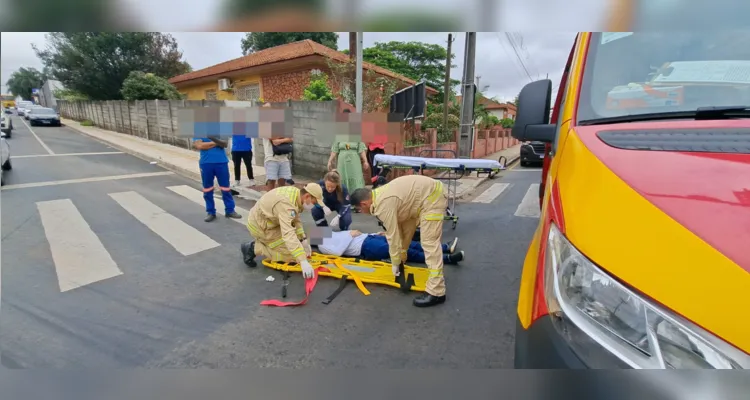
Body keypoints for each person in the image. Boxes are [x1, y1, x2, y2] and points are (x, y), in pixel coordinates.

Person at [349, 175, 448, 308]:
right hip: (420, 200)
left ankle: (437, 292)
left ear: (364, 204)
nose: (360, 213)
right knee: (413, 239)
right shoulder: (380, 196)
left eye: (359, 210)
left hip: (431, 197)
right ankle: (448, 256)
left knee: (429, 243)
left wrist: (395, 262)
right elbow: (403, 230)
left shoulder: (383, 204)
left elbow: (393, 236)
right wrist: (401, 256)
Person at [240, 182, 324, 279]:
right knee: (293, 256)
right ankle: (253, 248)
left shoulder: (296, 194)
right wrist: (303, 261)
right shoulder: (287, 205)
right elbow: (288, 234)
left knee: (298, 248)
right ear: (307, 196)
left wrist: (303, 239)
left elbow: (295, 219)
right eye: (314, 203)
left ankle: (267, 244)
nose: (314, 206)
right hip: (261, 227)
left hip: (270, 221)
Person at [316, 229, 464, 265]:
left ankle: (444, 247)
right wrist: (349, 235)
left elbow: (354, 234)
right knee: (407, 252)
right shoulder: (322, 245)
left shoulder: (328, 233)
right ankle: (447, 259)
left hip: (369, 238)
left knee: (409, 244)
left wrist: (376, 233)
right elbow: (337, 253)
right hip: (366, 247)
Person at [193, 136, 242, 222]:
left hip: (221, 162)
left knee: (226, 188)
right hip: (206, 163)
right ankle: (211, 212)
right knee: (208, 189)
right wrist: (217, 142)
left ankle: (230, 210)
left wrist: (211, 140)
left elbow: (225, 144)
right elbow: (200, 146)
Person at [327, 109, 369, 192]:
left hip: (354, 161)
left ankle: (357, 197)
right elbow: (335, 148)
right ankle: (343, 198)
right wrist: (330, 161)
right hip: (342, 162)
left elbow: (361, 148)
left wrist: (365, 161)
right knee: (342, 178)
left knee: (355, 177)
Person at [261, 103, 293, 190]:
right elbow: (271, 137)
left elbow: (291, 138)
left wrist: (280, 140)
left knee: (282, 183)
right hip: (271, 158)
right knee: (271, 182)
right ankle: (269, 202)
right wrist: (283, 136)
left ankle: (280, 201)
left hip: (284, 158)